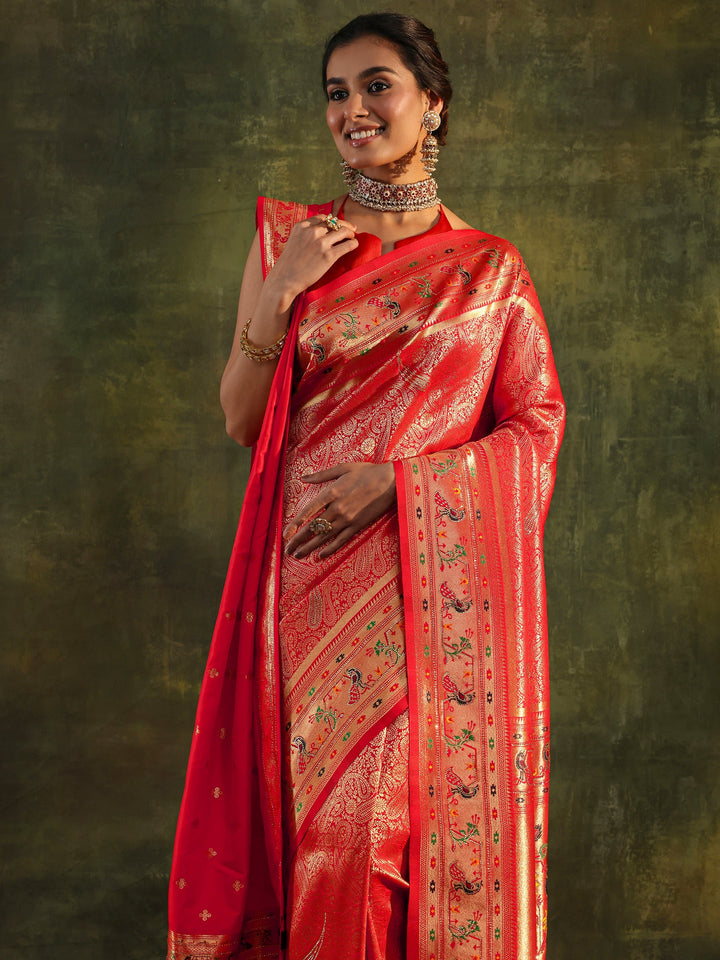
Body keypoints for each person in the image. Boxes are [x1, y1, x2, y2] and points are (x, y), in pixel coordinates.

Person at [167, 13, 564, 960]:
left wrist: (401, 484)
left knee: (382, 840)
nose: (354, 109)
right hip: (305, 591)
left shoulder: (490, 270)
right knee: (326, 842)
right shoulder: (289, 240)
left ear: (433, 103)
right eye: (337, 93)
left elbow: (535, 428)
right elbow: (240, 417)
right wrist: (281, 290)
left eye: (377, 85)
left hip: (432, 597)